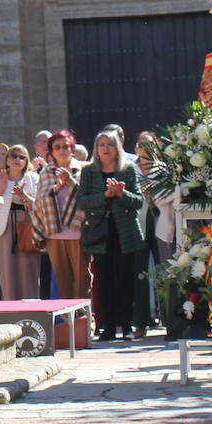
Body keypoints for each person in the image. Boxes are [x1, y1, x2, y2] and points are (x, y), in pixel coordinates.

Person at [77, 129, 145, 341]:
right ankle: (106, 327)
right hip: (100, 232)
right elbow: (82, 201)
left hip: (124, 232)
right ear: (96, 149)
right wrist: (105, 195)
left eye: (110, 144)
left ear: (118, 147)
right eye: (102, 144)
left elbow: (138, 201)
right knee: (104, 280)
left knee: (125, 280)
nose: (106, 149)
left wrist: (121, 194)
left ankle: (125, 326)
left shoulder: (129, 169)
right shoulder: (89, 171)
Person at [32, 130, 89, 299]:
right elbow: (40, 200)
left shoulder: (84, 169)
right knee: (63, 281)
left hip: (79, 231)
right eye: (57, 147)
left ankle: (84, 321)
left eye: (65, 146)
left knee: (83, 279)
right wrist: (57, 187)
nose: (62, 150)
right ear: (52, 151)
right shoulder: (46, 172)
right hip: (54, 232)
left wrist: (70, 182)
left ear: (72, 149)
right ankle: (67, 322)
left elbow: (89, 197)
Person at [0, 144, 39, 301]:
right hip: (4, 228)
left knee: (28, 270)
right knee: (7, 271)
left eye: (22, 157)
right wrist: (2, 191)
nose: (18, 159)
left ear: (26, 161)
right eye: (14, 156)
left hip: (27, 226)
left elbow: (41, 205)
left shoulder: (33, 178)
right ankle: (10, 306)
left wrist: (24, 197)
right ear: (7, 160)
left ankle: (31, 307)